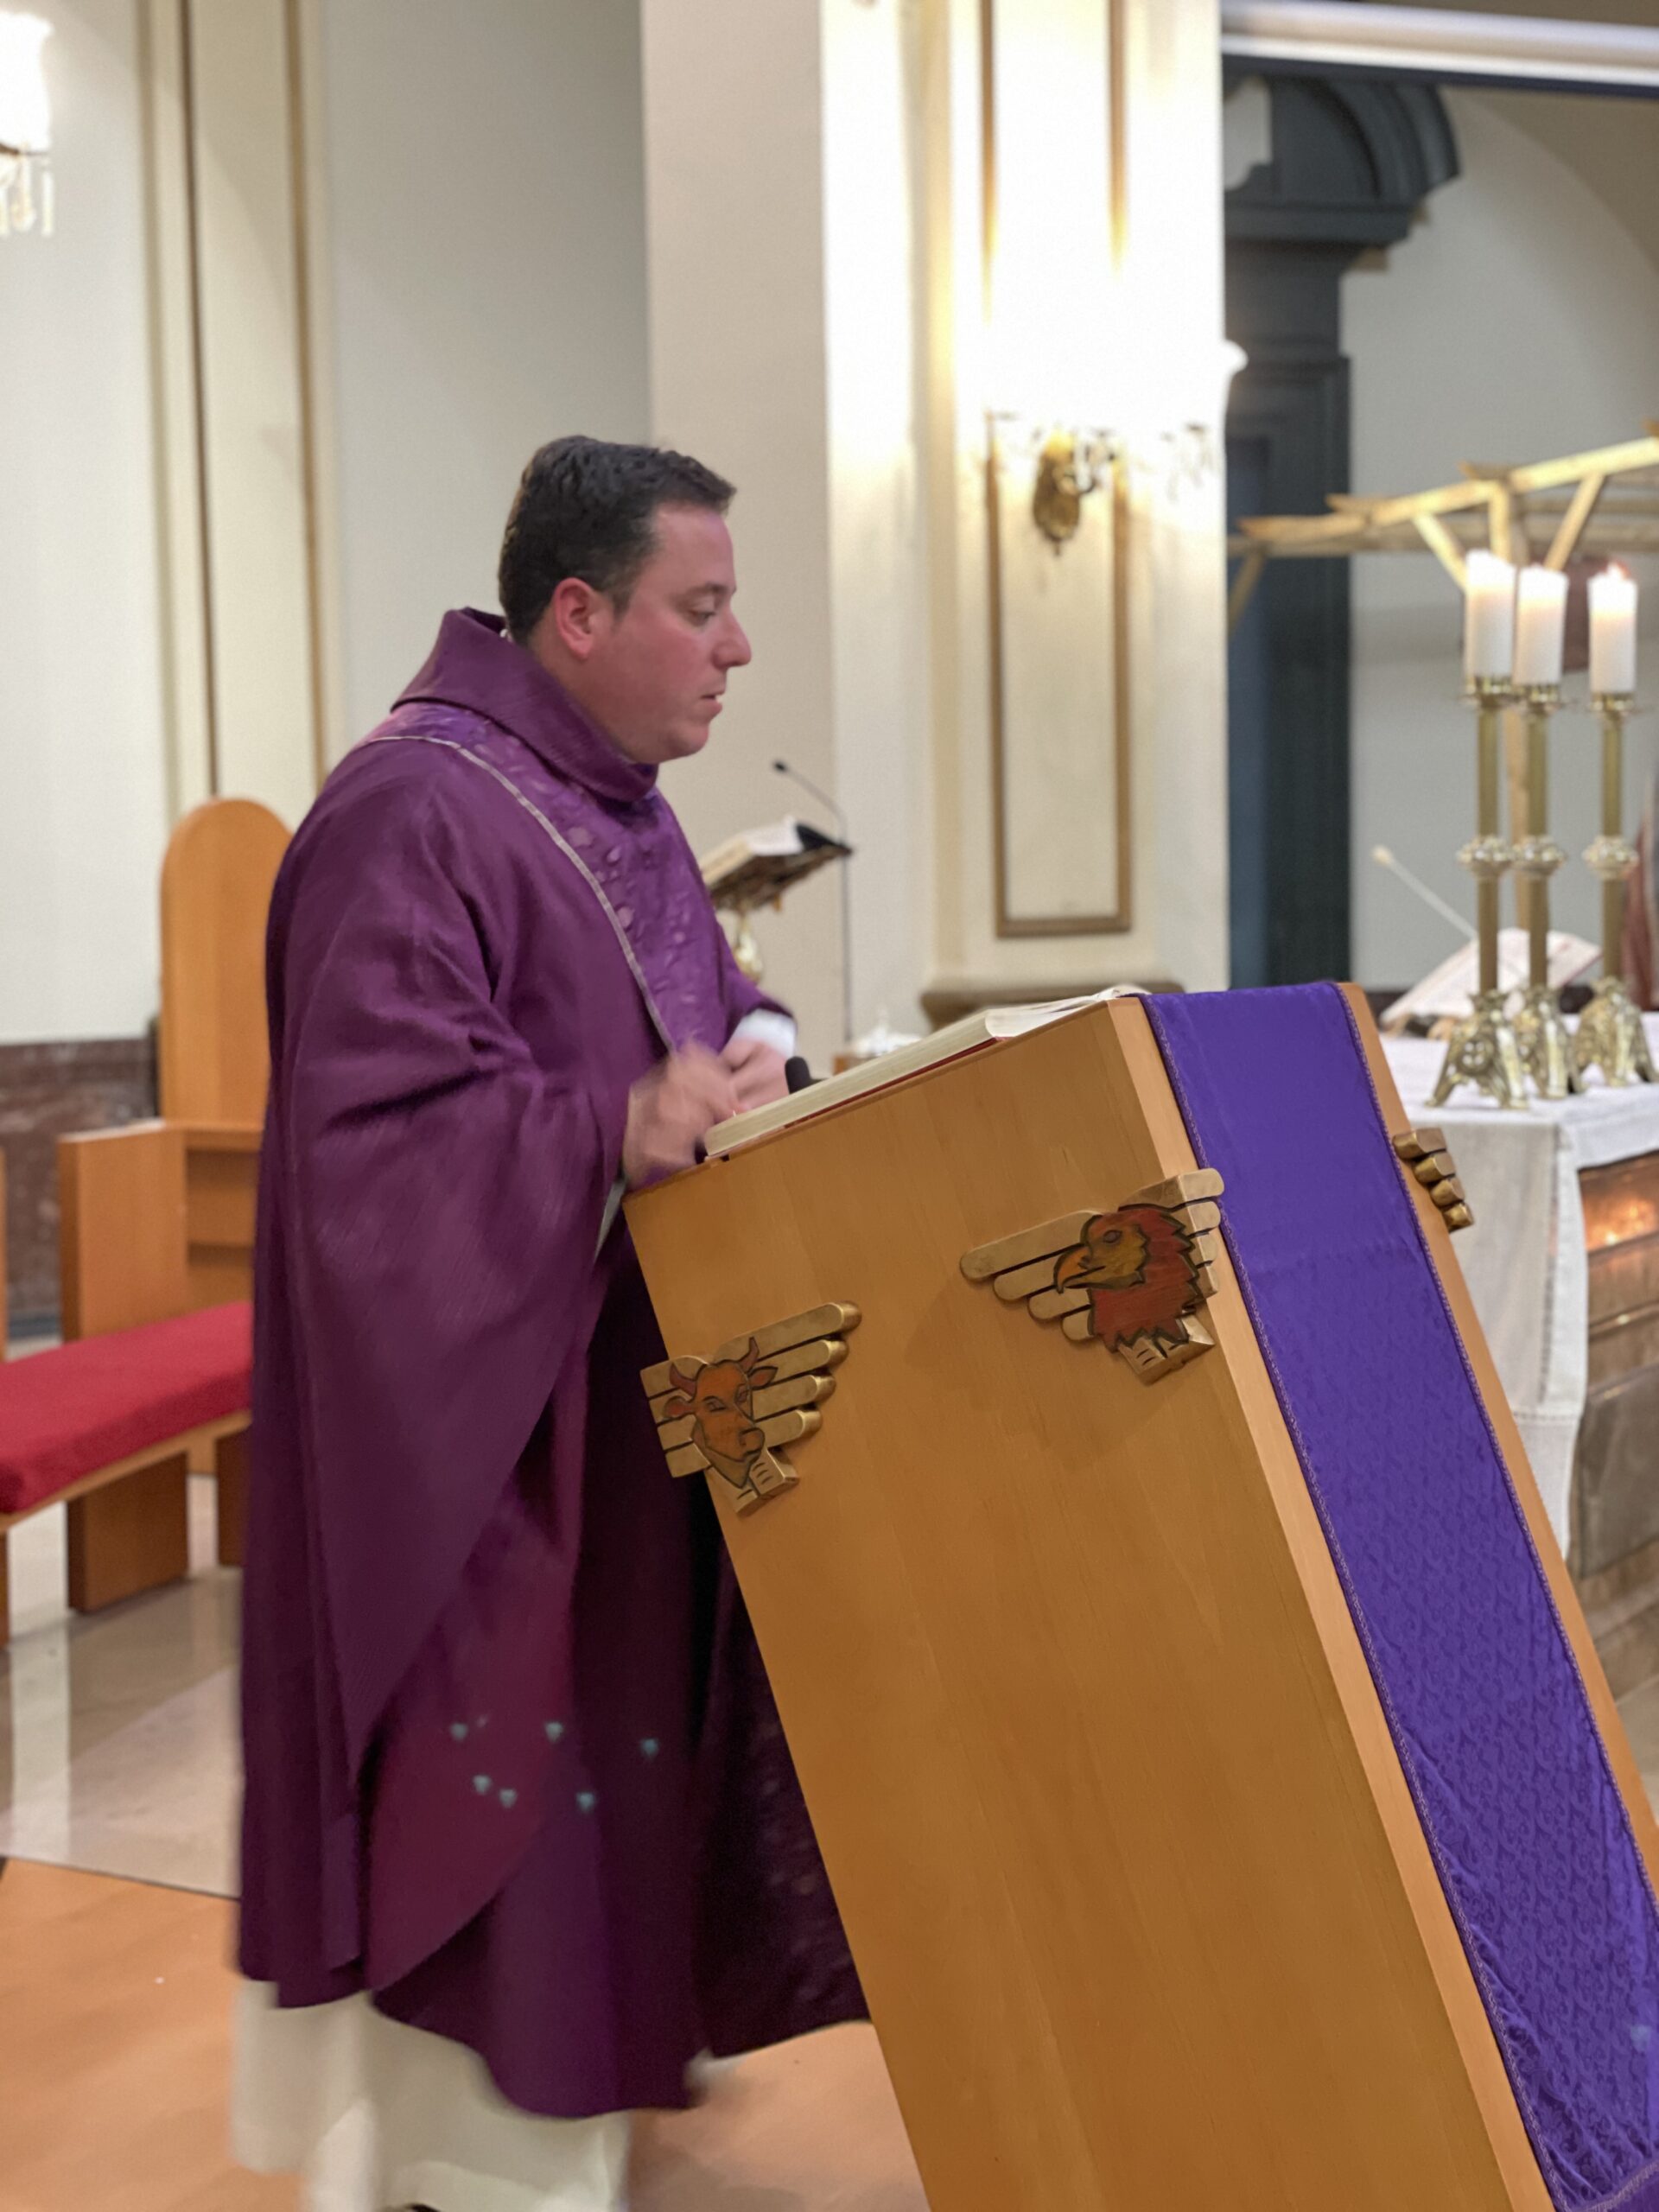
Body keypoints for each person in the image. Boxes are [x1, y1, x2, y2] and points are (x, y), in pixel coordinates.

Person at [233, 436, 864, 2211]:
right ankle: (452, 2172)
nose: (736, 647)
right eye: (700, 606)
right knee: (504, 1814)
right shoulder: (410, 809)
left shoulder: (616, 802)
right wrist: (606, 1128)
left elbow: (702, 998)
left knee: (611, 1812)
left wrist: (763, 1047)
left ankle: (566, 2124)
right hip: (489, 1467)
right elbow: (368, 1149)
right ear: (578, 613)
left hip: (620, 1426)